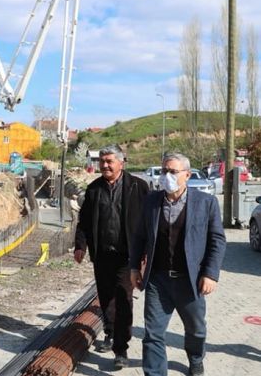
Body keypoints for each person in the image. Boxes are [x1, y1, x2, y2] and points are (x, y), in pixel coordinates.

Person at [129, 152, 226, 376]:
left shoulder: (206, 203)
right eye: (164, 171)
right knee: (153, 334)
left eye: (173, 172)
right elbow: (139, 237)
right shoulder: (151, 201)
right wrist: (135, 267)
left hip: (190, 280)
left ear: (187, 175)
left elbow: (217, 240)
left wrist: (211, 274)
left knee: (196, 330)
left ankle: (195, 358)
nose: (166, 176)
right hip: (158, 280)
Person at [74, 144, 149, 369]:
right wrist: (80, 245)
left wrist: (146, 253)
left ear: (121, 162)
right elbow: (84, 221)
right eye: (102, 161)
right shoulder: (94, 189)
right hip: (102, 255)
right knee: (106, 298)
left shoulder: (139, 187)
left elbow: (149, 223)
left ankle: (121, 349)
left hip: (128, 257)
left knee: (123, 299)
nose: (105, 165)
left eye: (109, 161)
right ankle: (109, 332)